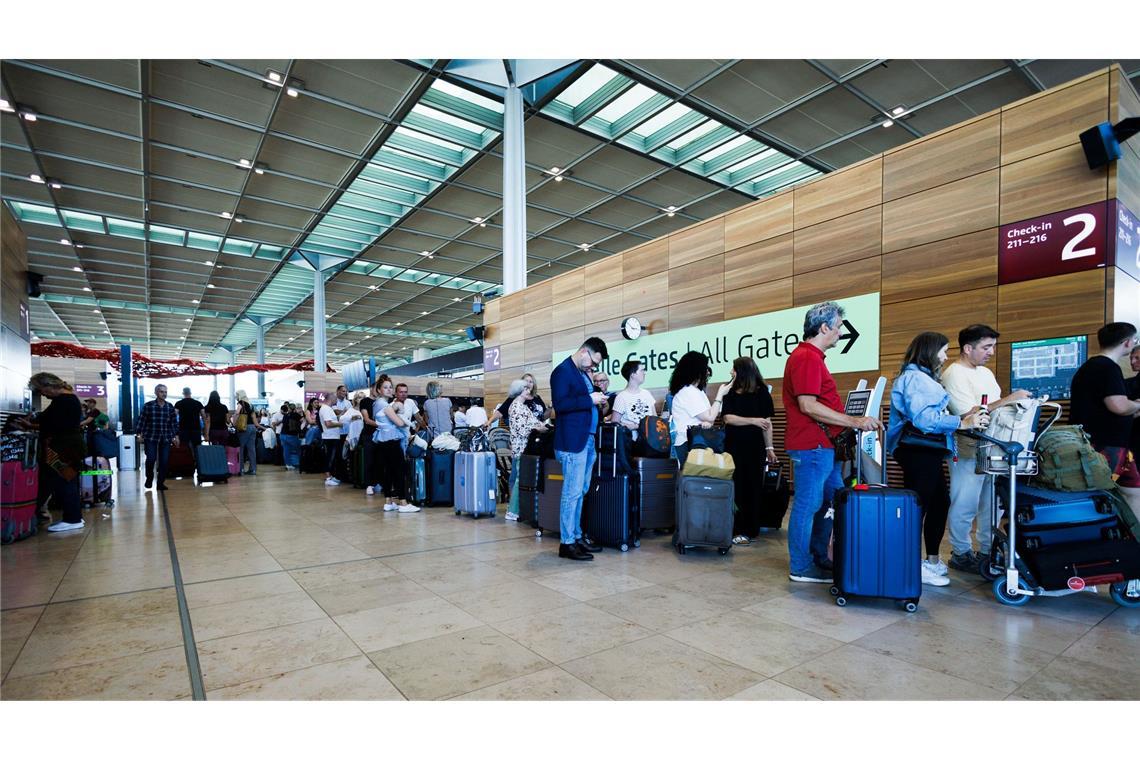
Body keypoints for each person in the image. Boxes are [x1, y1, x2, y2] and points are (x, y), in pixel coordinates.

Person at [782, 301, 883, 584]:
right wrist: (854, 421)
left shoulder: (812, 358)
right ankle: (800, 567)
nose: (840, 333)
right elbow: (808, 405)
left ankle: (818, 557)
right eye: (838, 327)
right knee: (808, 504)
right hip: (812, 446)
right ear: (824, 327)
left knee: (832, 500)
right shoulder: (807, 358)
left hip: (822, 447)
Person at [886, 332, 990, 587]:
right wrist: (962, 422)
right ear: (930, 352)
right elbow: (923, 419)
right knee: (918, 507)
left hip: (926, 450)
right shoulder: (915, 378)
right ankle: (911, 564)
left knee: (939, 503)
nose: (945, 356)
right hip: (917, 450)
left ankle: (930, 561)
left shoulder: (922, 378)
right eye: (943, 351)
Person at [940, 324, 1032, 572]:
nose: (991, 352)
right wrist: (1008, 399)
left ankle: (986, 550)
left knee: (991, 502)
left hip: (994, 445)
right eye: (986, 347)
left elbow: (996, 410)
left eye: (992, 346)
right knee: (965, 501)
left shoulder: (986, 374)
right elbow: (967, 414)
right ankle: (960, 553)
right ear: (968, 348)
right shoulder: (954, 374)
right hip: (968, 445)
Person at [550, 338, 610, 561]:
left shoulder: (582, 373)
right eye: (592, 362)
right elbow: (561, 405)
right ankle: (566, 543)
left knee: (581, 491)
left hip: (587, 439)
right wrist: (589, 399)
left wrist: (598, 401)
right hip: (572, 442)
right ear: (584, 351)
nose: (592, 368)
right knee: (571, 493)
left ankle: (575, 536)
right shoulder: (562, 372)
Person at [1070, 322, 1140, 496]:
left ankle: (1132, 524)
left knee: (1133, 492)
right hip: (1106, 446)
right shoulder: (1108, 368)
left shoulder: (1090, 367)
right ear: (1127, 342)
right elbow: (1118, 405)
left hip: (1106, 444)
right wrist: (1138, 405)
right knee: (1102, 493)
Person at [16, 373, 85, 532]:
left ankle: (72, 518)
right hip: (67, 447)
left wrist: (30, 426)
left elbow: (55, 426)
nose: (43, 394)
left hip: (64, 448)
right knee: (59, 480)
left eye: (42, 390)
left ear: (50, 386)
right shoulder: (67, 400)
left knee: (63, 480)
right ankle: (71, 517)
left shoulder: (64, 401)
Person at [721, 357, 778, 546]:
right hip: (733, 448)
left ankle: (750, 529)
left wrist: (770, 448)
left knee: (753, 487)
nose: (731, 372)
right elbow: (728, 418)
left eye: (734, 369)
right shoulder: (730, 393)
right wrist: (753, 420)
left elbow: (767, 424)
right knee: (736, 487)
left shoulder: (762, 393)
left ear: (742, 371)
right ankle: (736, 527)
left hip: (755, 449)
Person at [667, 351, 728, 464]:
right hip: (688, 443)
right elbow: (710, 416)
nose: (707, 371)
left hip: (696, 442)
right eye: (705, 367)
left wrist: (708, 420)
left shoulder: (697, 391)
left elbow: (711, 417)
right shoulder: (688, 391)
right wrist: (720, 394)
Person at [372, 376, 419, 512]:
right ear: (379, 390)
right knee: (399, 471)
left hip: (383, 441)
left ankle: (389, 501)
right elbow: (399, 423)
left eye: (390, 387)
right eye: (385, 387)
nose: (388, 390)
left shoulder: (377, 404)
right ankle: (403, 503)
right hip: (391, 441)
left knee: (389, 472)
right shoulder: (384, 405)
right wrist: (399, 413)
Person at [506, 380, 548, 521]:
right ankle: (512, 511)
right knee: (519, 480)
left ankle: (515, 510)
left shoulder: (521, 406)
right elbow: (521, 430)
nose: (528, 391)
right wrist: (538, 428)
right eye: (525, 388)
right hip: (521, 448)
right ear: (520, 390)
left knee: (520, 479)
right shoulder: (517, 407)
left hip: (523, 447)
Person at [136, 384, 180, 491]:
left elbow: (174, 423)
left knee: (164, 461)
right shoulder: (148, 406)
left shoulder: (170, 407)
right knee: (151, 459)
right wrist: (138, 434)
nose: (164, 394)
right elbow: (141, 421)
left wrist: (176, 436)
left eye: (165, 392)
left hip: (165, 438)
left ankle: (160, 483)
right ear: (156, 393)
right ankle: (149, 478)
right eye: (161, 392)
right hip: (151, 437)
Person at [609, 360, 657, 438]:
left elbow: (655, 418)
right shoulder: (621, 397)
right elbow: (615, 424)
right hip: (631, 442)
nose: (644, 373)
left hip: (651, 441)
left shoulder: (646, 393)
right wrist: (636, 426)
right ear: (633, 374)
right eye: (642, 370)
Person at [233, 390, 263, 476]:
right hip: (252, 428)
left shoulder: (241, 403)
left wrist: (234, 422)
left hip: (244, 428)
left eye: (236, 395)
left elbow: (238, 412)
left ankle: (241, 469)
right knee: (252, 449)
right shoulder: (250, 405)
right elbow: (255, 420)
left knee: (241, 449)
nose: (236, 397)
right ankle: (253, 469)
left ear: (239, 395)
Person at [318, 394, 344, 486]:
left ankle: (331, 476)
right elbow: (328, 424)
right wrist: (340, 424)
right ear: (331, 399)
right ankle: (328, 477)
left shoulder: (328, 409)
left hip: (332, 436)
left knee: (332, 457)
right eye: (335, 398)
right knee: (330, 457)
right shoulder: (325, 409)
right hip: (330, 437)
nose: (336, 400)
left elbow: (331, 421)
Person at [174, 388, 205, 458]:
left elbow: (174, 417)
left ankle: (186, 464)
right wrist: (205, 431)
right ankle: (198, 464)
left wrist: (175, 432)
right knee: (197, 448)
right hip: (196, 429)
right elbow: (204, 417)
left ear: (183, 393)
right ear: (190, 393)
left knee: (184, 448)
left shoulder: (179, 403)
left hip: (183, 429)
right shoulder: (198, 403)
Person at [278, 402, 303, 470]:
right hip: (291, 436)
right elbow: (302, 421)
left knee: (286, 451)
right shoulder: (296, 415)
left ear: (289, 408)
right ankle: (302, 464)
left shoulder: (285, 415)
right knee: (299, 450)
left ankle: (288, 465)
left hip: (283, 435)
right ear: (295, 408)